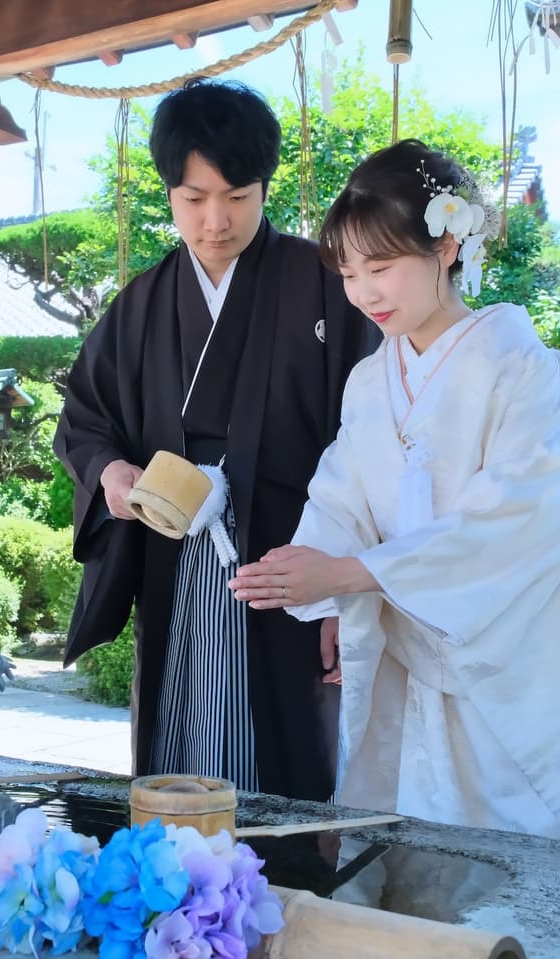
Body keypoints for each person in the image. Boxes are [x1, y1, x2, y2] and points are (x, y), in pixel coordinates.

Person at [228, 139, 560, 857]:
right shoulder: (370, 384)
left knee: (542, 869)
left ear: (447, 244)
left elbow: (520, 520)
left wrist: (356, 575)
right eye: (348, 273)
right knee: (423, 864)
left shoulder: (542, 378)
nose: (364, 292)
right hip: (414, 670)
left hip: (529, 669)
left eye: (382, 267)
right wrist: (321, 572)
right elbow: (344, 496)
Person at [53, 80, 380, 800]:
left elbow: (371, 444)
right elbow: (86, 416)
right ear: (168, 192)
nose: (215, 220)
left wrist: (337, 596)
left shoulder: (323, 285)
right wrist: (110, 473)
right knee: (177, 737)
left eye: (236, 194)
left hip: (292, 565)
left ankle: (287, 895)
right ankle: (177, 888)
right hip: (176, 555)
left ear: (265, 186)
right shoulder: (142, 302)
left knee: (290, 754)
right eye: (194, 198)